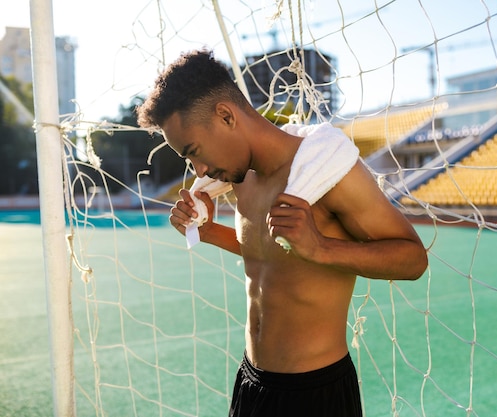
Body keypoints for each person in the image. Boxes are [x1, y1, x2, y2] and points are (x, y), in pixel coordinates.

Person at [137, 49, 428, 417]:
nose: (200, 169)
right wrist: (209, 232)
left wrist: (320, 247)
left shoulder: (326, 172)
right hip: (251, 379)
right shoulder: (242, 179)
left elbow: (413, 259)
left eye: (194, 152)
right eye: (188, 160)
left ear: (226, 115)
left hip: (314, 392)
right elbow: (267, 256)